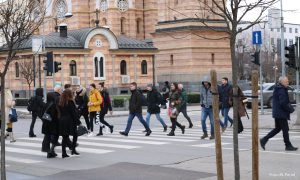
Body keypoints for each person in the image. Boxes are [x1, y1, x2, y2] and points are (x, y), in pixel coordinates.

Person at [260, 76, 298, 151]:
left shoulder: (279, 88)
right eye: (286, 81)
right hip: (281, 113)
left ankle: (264, 139)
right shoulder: (281, 90)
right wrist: (290, 109)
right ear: (282, 82)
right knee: (285, 129)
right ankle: (288, 145)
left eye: (288, 81)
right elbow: (283, 103)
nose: (288, 82)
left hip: (278, 112)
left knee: (278, 128)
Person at [58, 89, 81, 158]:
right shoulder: (70, 102)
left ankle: (63, 153)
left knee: (65, 137)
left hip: (62, 121)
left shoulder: (61, 101)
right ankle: (73, 149)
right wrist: (78, 122)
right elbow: (73, 113)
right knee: (75, 134)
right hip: (70, 121)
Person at [42, 85, 62, 153]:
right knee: (50, 135)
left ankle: (45, 148)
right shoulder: (52, 104)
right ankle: (49, 149)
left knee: (47, 135)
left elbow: (43, 113)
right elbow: (53, 115)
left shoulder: (46, 104)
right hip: (50, 122)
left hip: (46, 122)